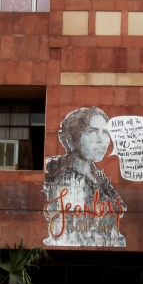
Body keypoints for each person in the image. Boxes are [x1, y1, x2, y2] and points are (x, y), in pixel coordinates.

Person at [43, 106, 128, 247]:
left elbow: (120, 207)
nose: (102, 140)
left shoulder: (96, 173)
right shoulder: (66, 178)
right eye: (92, 132)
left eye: (106, 132)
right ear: (70, 140)